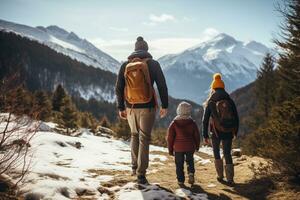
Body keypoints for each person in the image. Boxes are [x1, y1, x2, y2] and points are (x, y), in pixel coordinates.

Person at [115, 36, 168, 184]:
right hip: (148, 106)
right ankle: (141, 174)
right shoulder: (153, 64)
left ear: (135, 49)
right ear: (146, 49)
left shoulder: (125, 64)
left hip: (130, 107)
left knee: (134, 135)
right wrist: (165, 105)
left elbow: (118, 88)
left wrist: (121, 107)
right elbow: (162, 86)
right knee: (144, 138)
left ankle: (134, 167)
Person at [202, 73, 239, 185]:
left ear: (213, 88)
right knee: (227, 153)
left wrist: (205, 135)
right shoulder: (229, 100)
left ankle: (220, 176)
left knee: (216, 152)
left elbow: (205, 120)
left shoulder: (211, 102)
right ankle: (230, 178)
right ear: (223, 87)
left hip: (215, 132)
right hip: (228, 131)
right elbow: (236, 117)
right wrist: (235, 132)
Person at [166, 102, 200, 187]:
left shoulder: (174, 123)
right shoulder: (192, 122)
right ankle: (191, 173)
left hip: (178, 148)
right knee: (190, 161)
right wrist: (197, 146)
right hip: (190, 146)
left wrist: (170, 150)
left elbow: (170, 138)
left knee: (179, 164)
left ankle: (180, 181)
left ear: (178, 110)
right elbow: (197, 136)